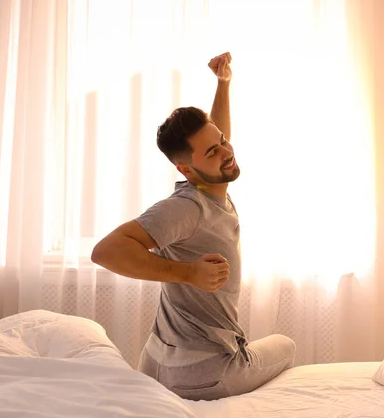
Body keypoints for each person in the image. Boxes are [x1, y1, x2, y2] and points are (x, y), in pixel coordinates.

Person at [91, 52, 296, 401]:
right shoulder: (187, 208)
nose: (227, 153)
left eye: (222, 143)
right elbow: (104, 252)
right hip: (203, 372)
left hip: (157, 360)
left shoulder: (209, 183)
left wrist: (223, 84)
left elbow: (213, 140)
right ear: (186, 170)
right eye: (213, 153)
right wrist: (187, 274)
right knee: (287, 345)